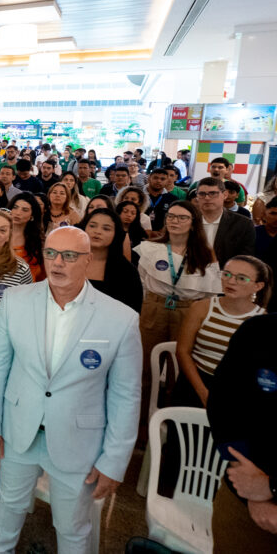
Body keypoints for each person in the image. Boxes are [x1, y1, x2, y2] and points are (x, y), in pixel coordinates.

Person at [0, 227, 142, 554]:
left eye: (69, 256)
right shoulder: (16, 301)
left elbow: (126, 395)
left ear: (88, 260)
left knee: (71, 524)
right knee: (8, 502)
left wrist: (114, 460)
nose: (57, 263)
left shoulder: (120, 319)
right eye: (51, 253)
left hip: (79, 439)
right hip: (19, 428)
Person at [133, 200, 221, 436]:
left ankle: (173, 426)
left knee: (178, 369)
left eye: (182, 217)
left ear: (193, 223)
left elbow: (211, 291)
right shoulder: (152, 247)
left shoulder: (205, 253)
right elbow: (141, 281)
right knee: (144, 367)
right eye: (171, 216)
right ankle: (139, 424)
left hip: (189, 310)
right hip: (153, 306)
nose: (175, 221)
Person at [206, 314, 277, 550]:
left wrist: (270, 487)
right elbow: (224, 406)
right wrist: (252, 486)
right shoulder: (260, 331)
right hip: (247, 507)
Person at [173, 255, 270, 408]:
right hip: (195, 381)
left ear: (258, 286)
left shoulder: (262, 321)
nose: (231, 281)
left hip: (236, 388)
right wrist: (203, 392)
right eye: (227, 274)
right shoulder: (201, 307)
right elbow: (182, 351)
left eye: (241, 278)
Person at [77, 208, 143, 313]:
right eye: (92, 226)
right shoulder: (68, 261)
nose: (97, 231)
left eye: (106, 229)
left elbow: (132, 312)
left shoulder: (126, 271)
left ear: (115, 234)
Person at [195, 177, 255, 267]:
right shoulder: (188, 220)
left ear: (224, 195)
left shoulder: (243, 224)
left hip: (224, 276)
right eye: (202, 194)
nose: (207, 198)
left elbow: (245, 259)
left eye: (213, 194)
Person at [9, 192, 45, 281]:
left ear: (32, 216)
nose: (18, 213)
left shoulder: (37, 241)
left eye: (24, 210)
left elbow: (41, 274)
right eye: (15, 207)